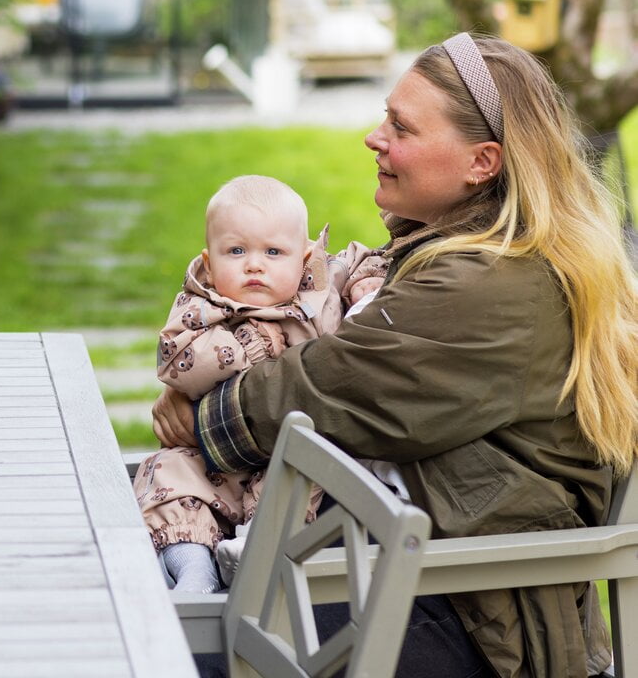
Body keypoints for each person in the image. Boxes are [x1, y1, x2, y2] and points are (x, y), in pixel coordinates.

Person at [153, 33, 638, 677]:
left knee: (171, 648)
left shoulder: (487, 287)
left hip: (472, 618)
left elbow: (323, 390)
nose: (374, 138)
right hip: (406, 565)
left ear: (482, 163)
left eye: (401, 126)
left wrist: (202, 416)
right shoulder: (478, 253)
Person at [136, 175, 384, 593]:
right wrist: (255, 341)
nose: (254, 264)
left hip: (284, 450)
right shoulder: (203, 305)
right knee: (169, 472)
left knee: (303, 472)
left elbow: (365, 256)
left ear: (304, 257)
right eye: (235, 251)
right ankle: (192, 568)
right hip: (212, 458)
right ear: (209, 263)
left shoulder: (320, 284)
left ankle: (255, 548)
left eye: (273, 252)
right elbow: (176, 360)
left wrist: (366, 280)